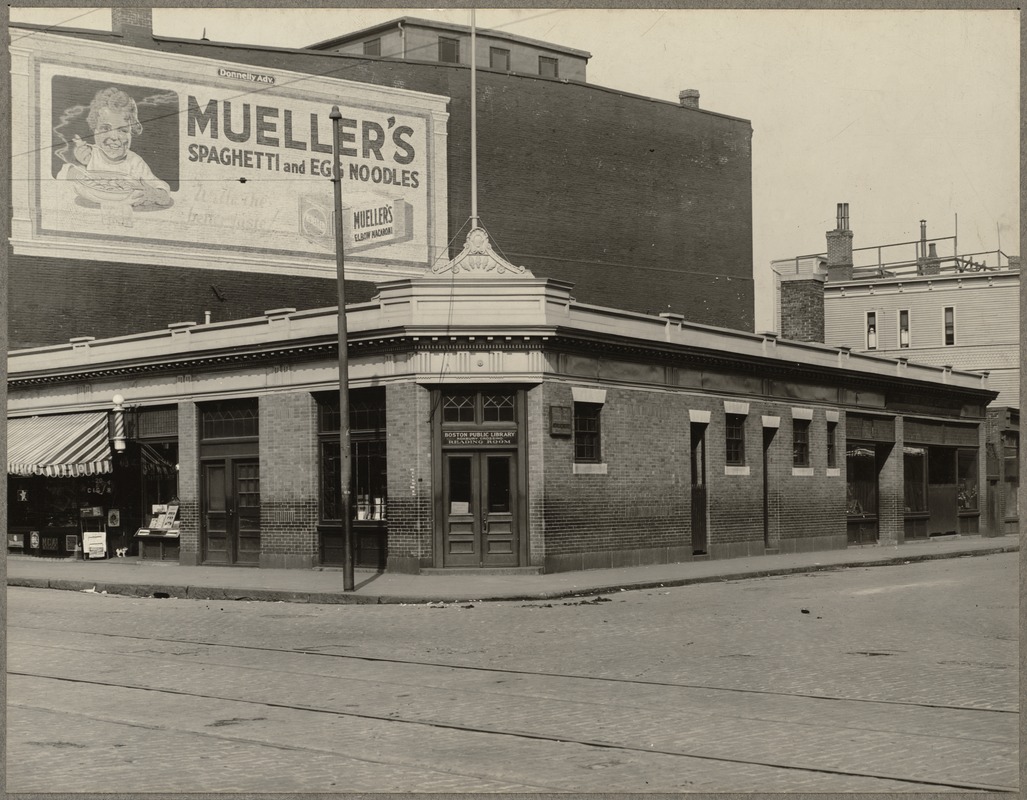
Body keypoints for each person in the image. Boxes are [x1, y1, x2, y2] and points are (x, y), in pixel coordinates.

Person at [64, 87, 171, 207]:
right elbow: (62, 176)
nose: (114, 137)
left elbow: (164, 191)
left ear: (132, 132)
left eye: (122, 130)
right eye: (105, 128)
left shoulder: (135, 162)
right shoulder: (89, 155)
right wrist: (77, 164)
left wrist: (154, 194)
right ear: (94, 129)